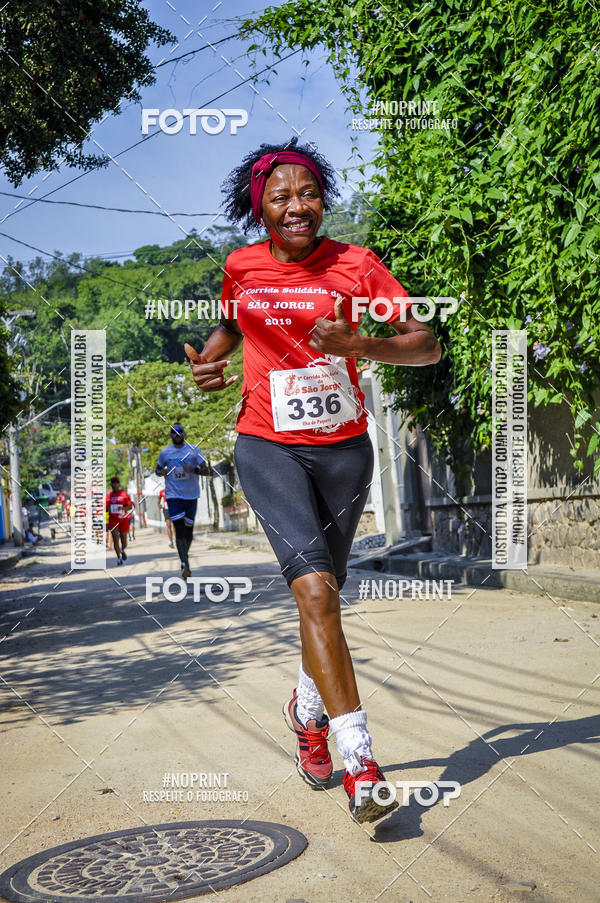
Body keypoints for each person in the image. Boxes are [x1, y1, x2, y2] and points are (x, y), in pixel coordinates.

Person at [185, 139, 441, 824]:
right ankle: (361, 761)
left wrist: (360, 345)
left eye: (308, 192)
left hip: (345, 452)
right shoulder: (241, 267)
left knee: (324, 597)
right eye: (281, 196)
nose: (297, 205)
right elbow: (232, 327)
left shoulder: (357, 265)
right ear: (258, 206)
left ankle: (305, 708)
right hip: (268, 445)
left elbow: (426, 342)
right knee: (315, 589)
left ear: (322, 197)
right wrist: (210, 363)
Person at [155, 424, 209, 579]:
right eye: (174, 432)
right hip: (173, 496)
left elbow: (208, 471)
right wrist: (162, 472)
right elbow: (157, 470)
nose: (177, 434)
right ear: (171, 435)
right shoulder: (165, 453)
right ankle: (185, 563)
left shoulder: (194, 451)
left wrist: (194, 470)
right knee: (179, 530)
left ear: (184, 433)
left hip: (191, 496)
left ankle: (184, 560)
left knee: (189, 533)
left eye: (179, 431)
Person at [105, 476, 133, 565]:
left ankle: (122, 549)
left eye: (116, 483)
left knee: (124, 542)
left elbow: (130, 506)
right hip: (113, 521)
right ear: (111, 485)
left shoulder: (124, 494)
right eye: (113, 483)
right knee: (115, 539)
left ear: (118, 484)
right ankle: (118, 558)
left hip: (123, 520)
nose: (114, 485)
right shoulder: (108, 496)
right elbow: (106, 507)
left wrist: (124, 508)